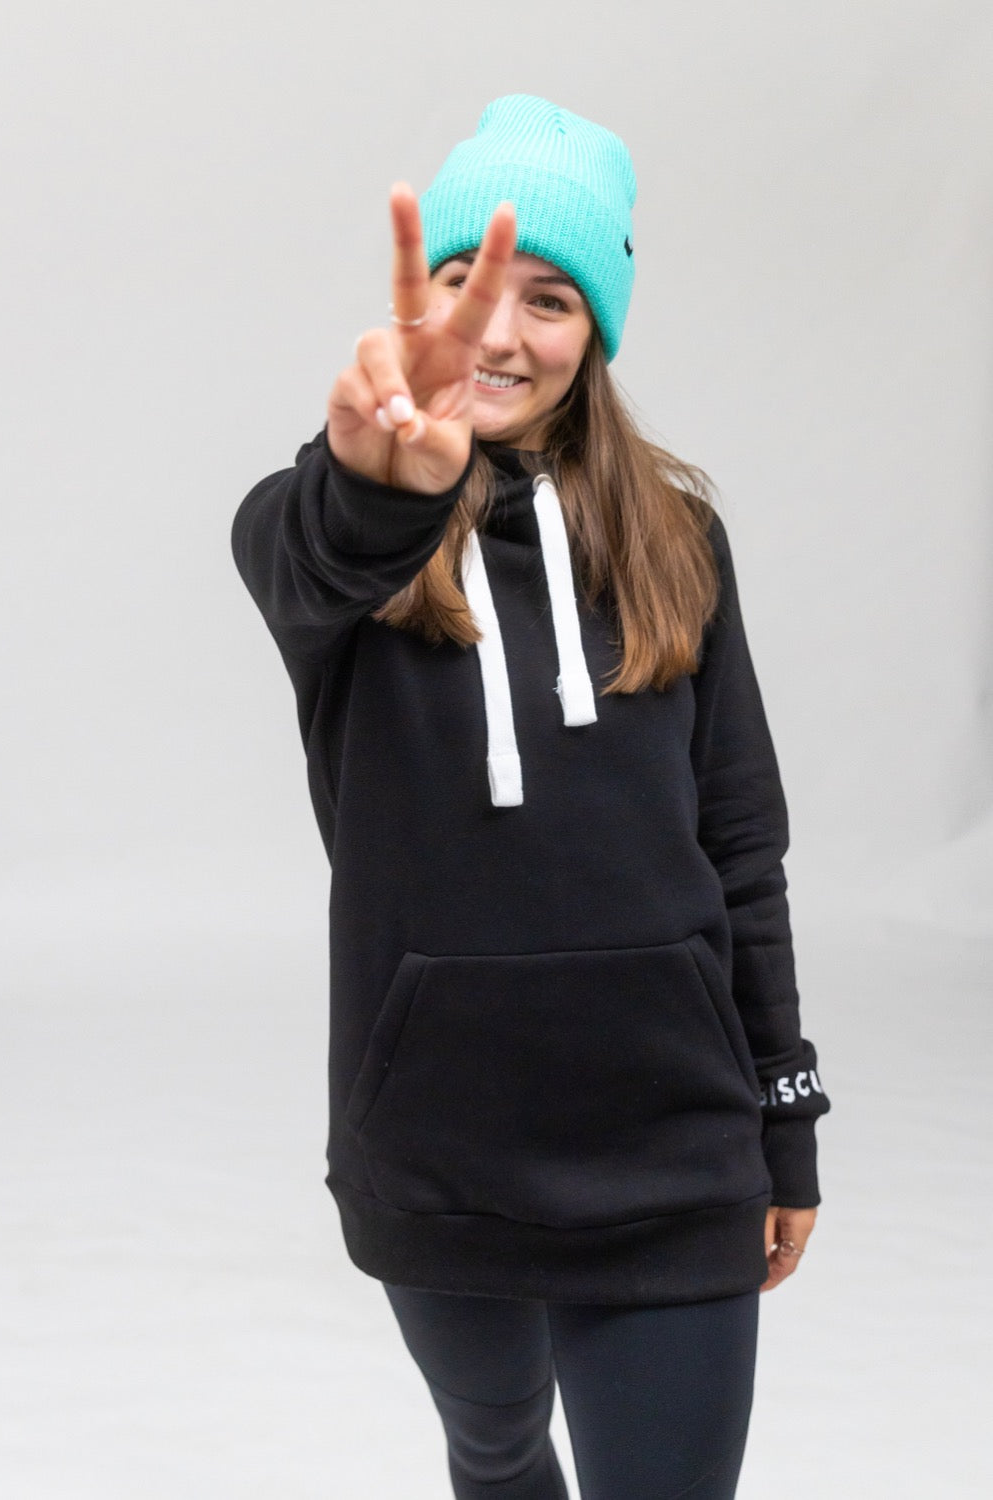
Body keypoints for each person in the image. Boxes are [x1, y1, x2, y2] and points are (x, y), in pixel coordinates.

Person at [232, 94, 831, 1500]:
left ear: (596, 333)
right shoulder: (324, 536)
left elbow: (741, 843)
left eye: (548, 299)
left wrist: (785, 1112)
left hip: (672, 1133)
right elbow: (321, 544)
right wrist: (382, 489)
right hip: (441, 1134)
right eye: (467, 282)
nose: (499, 333)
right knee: (499, 1450)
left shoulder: (678, 537)